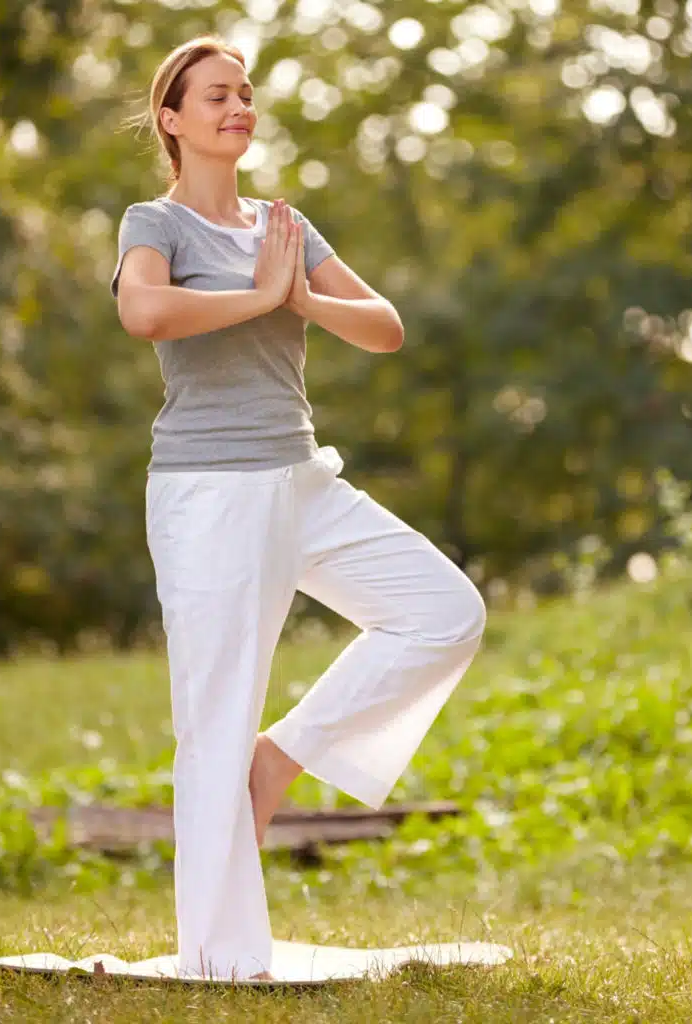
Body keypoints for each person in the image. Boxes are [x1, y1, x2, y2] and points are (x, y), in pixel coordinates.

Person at [110, 35, 486, 982]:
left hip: (303, 479)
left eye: (245, 93)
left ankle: (281, 759)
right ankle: (222, 957)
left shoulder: (285, 222)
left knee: (445, 614)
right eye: (215, 96)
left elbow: (386, 326)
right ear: (172, 118)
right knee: (214, 717)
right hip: (208, 492)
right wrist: (259, 295)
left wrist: (299, 296)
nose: (238, 107)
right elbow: (146, 314)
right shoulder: (152, 222)